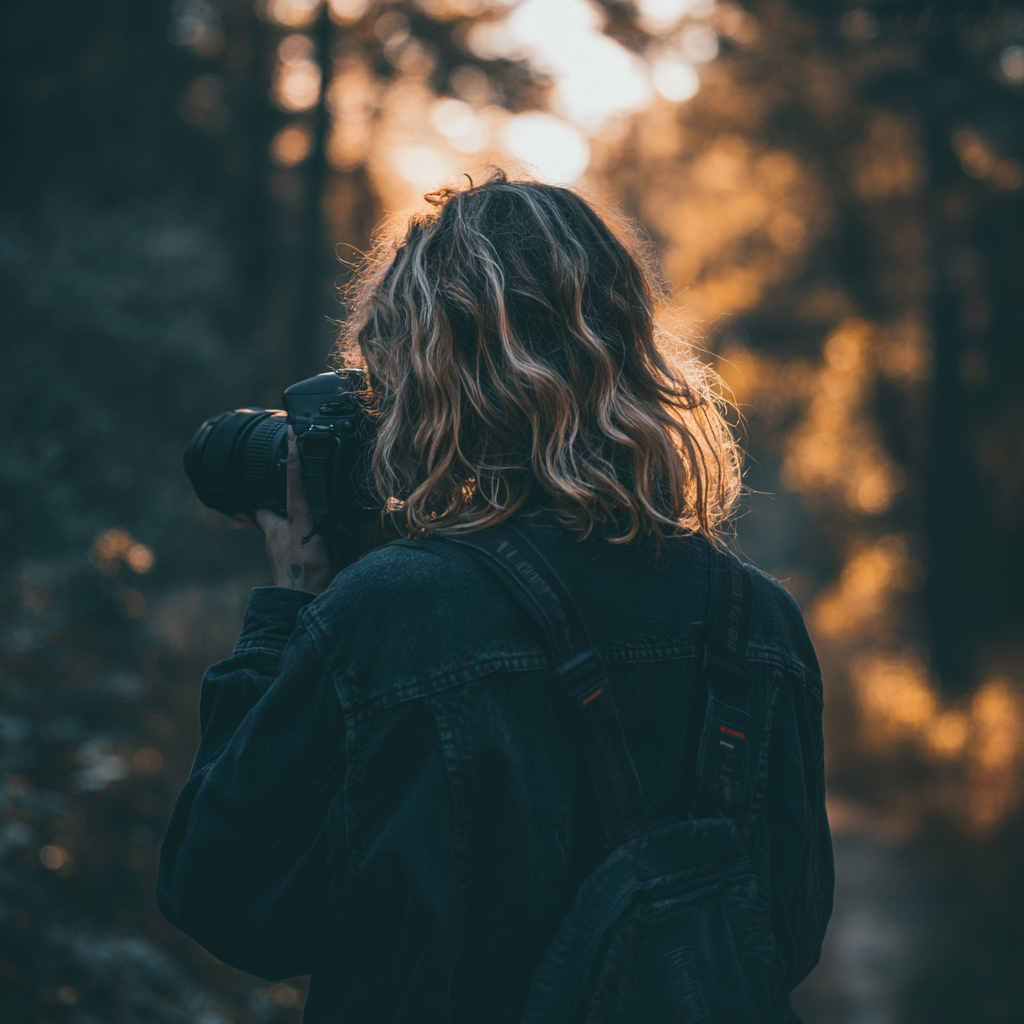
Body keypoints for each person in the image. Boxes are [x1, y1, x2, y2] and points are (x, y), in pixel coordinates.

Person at [157, 172, 832, 1022]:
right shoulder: (760, 622)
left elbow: (223, 897)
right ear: (627, 354)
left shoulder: (392, 613)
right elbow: (789, 932)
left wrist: (292, 604)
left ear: (425, 376)